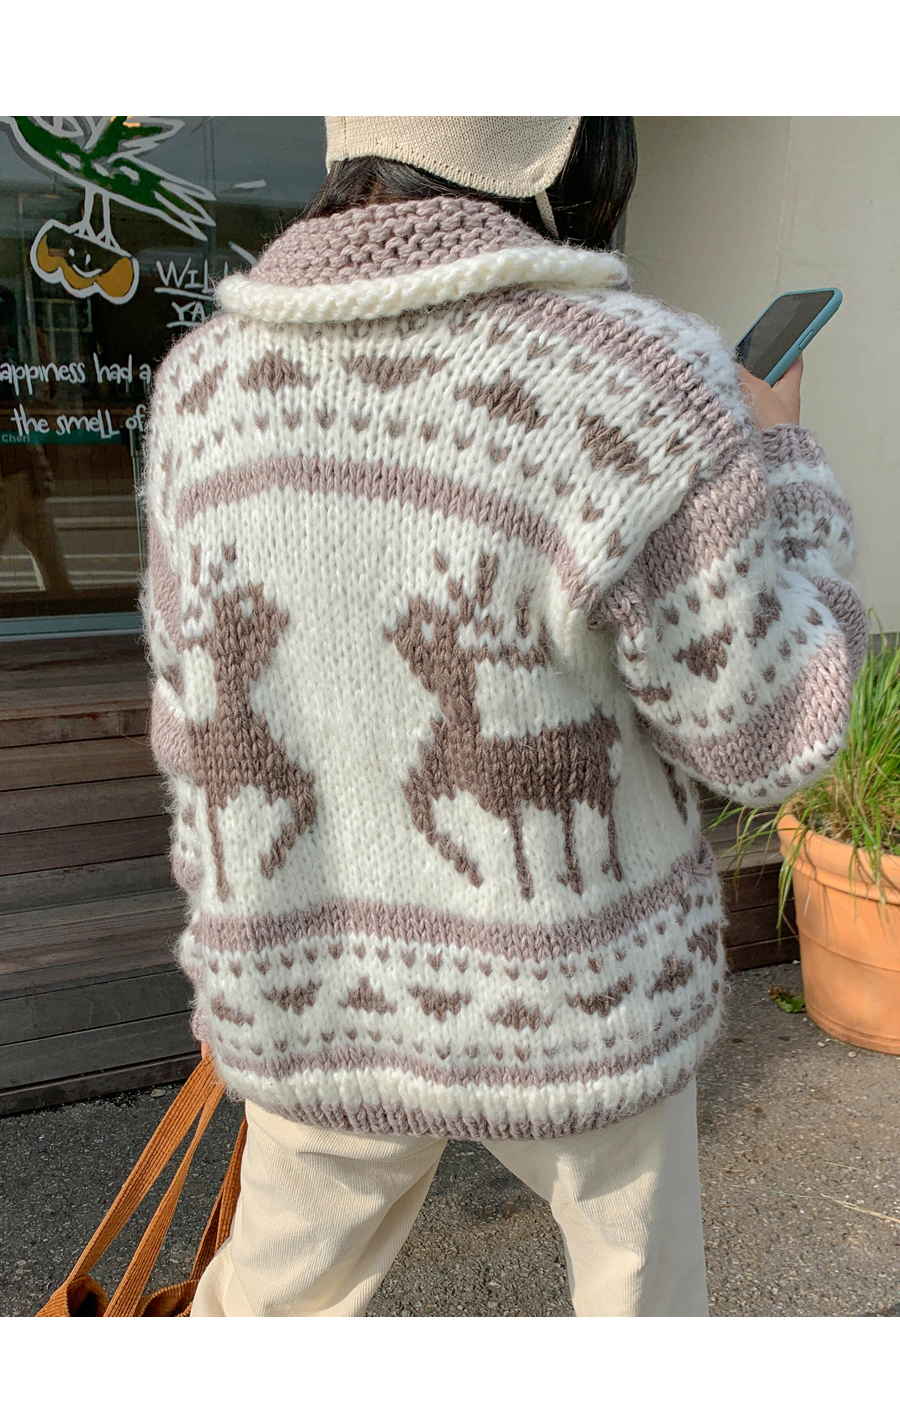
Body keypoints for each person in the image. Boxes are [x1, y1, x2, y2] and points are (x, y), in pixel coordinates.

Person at [140, 117, 866, 1317]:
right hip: (584, 998)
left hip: (316, 986)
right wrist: (783, 462)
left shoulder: (203, 391)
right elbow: (773, 729)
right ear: (564, 148)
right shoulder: (636, 379)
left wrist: (240, 951)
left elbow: (197, 722)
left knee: (264, 1316)